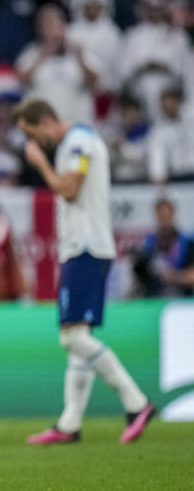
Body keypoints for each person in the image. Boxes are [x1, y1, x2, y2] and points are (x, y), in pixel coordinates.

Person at [14, 99, 156, 445]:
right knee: (76, 340)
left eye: (32, 135)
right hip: (83, 248)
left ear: (46, 121)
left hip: (86, 248)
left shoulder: (77, 143)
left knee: (72, 337)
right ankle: (69, 423)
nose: (32, 145)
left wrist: (42, 165)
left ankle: (136, 403)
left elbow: (70, 189)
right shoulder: (78, 142)